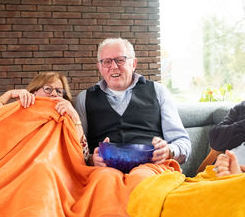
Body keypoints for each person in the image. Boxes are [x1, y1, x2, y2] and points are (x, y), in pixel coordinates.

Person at [75, 38, 191, 166]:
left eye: (120, 60)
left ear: (133, 64)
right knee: (106, 181)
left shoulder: (159, 91)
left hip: (150, 168)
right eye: (107, 62)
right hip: (104, 172)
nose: (114, 67)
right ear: (100, 67)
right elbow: (76, 148)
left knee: (141, 178)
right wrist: (91, 159)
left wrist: (169, 151)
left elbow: (182, 142)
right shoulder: (83, 99)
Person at [0, 71, 89, 160]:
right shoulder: (19, 110)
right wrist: (9, 94)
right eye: (48, 89)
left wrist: (75, 117)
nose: (54, 94)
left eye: (59, 91)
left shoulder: (66, 119)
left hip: (53, 173)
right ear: (34, 92)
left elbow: (83, 157)